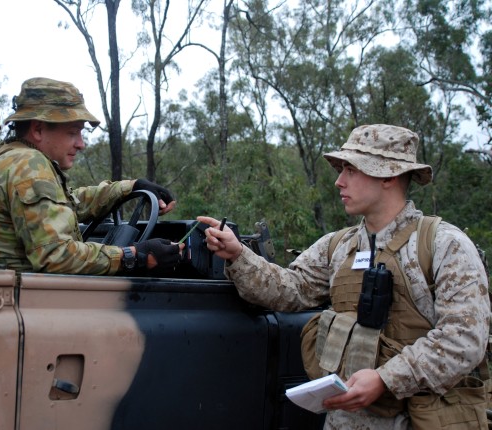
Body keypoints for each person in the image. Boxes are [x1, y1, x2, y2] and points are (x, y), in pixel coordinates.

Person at [198, 124, 490, 429]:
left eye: (351, 170)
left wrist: (386, 379)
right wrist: (238, 255)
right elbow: (290, 290)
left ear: (388, 174)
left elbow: (465, 338)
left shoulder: (443, 244)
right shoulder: (338, 246)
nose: (339, 182)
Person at [0, 77, 182, 275]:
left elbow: (66, 205)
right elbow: (56, 256)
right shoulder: (29, 164)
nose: (81, 144)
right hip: (22, 300)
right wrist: (135, 255)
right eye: (72, 132)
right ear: (38, 130)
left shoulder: (11, 157)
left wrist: (130, 187)